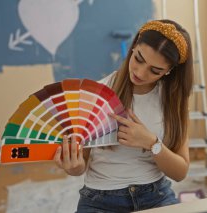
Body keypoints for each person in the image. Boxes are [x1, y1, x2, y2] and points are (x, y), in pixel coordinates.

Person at [54, 19, 193, 212]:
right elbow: (80, 166)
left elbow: (180, 173)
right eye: (139, 59)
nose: (140, 73)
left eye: (155, 71)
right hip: (100, 199)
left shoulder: (174, 101)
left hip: (156, 196)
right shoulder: (96, 94)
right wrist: (72, 166)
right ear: (134, 47)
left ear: (169, 71)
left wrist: (152, 143)